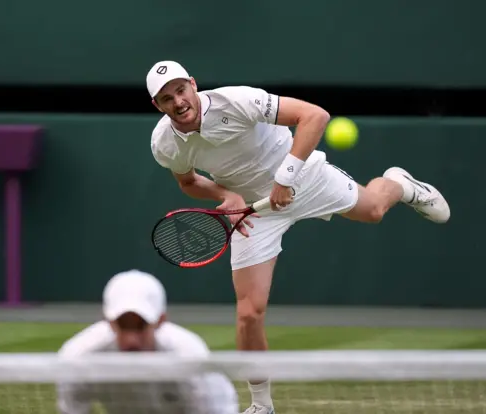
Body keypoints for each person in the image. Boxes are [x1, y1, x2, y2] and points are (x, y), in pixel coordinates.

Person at [146, 60, 451, 414]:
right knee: (248, 313)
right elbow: (189, 183)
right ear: (158, 105)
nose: (178, 102)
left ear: (193, 85)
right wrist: (226, 196)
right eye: (167, 98)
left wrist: (285, 178)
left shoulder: (237, 100)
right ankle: (262, 406)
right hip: (256, 212)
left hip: (304, 179)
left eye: (181, 90)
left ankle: (401, 184)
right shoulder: (165, 144)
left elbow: (315, 116)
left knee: (374, 211)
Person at [56, 269, 238, 414]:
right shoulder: (78, 358)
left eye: (140, 325)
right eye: (123, 325)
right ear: (108, 322)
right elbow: (73, 408)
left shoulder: (189, 356)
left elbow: (219, 409)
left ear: (160, 320)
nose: (131, 339)